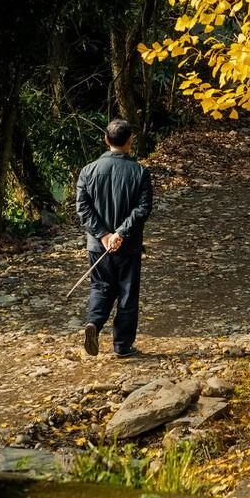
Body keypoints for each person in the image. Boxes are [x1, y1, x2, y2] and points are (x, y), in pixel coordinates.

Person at [75, 119, 153, 358]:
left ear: (106, 140)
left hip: (98, 247)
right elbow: (143, 208)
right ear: (130, 141)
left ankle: (94, 325)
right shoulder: (140, 172)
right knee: (127, 293)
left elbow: (83, 209)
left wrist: (103, 235)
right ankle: (122, 345)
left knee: (100, 286)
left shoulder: (88, 171)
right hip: (127, 246)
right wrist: (121, 233)